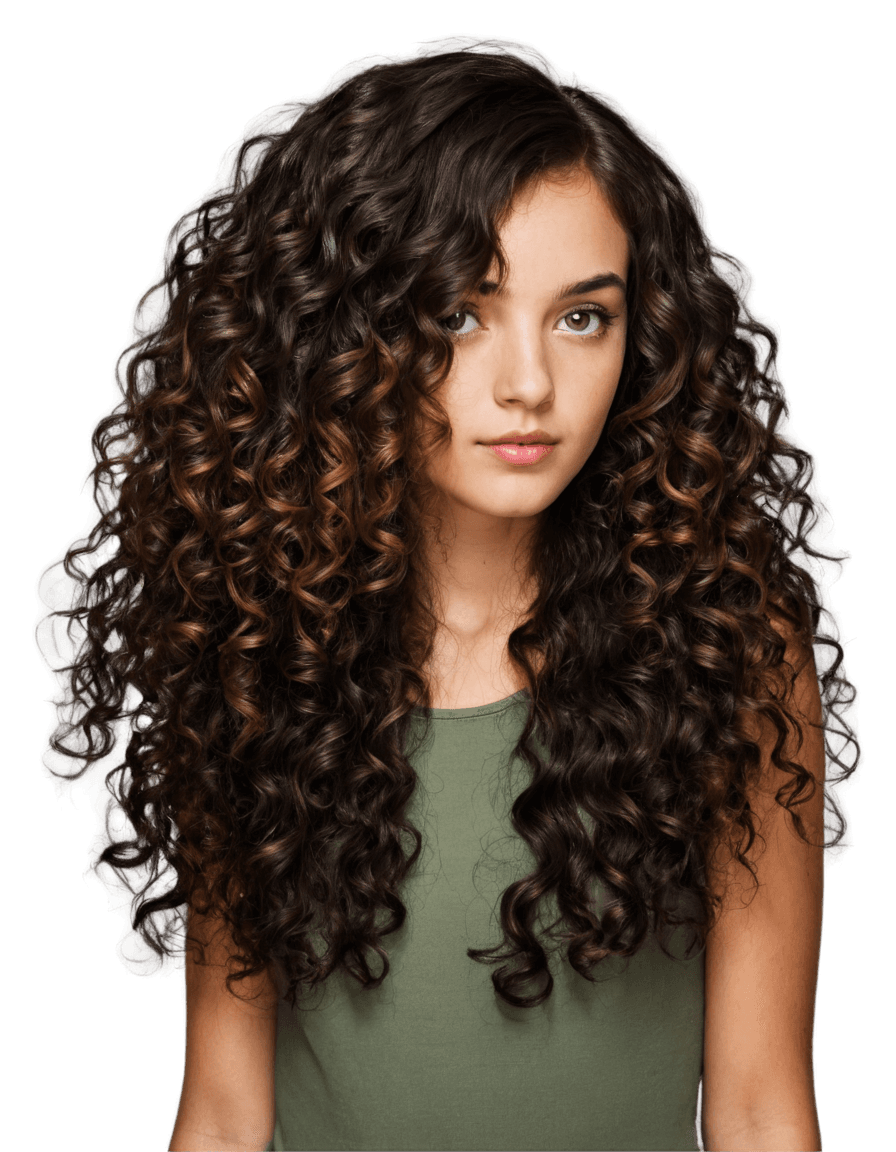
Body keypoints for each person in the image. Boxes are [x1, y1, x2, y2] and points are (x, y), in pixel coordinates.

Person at [68, 50, 828, 1151]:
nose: (527, 382)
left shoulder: (721, 655)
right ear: (347, 329)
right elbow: (229, 1114)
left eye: (581, 319)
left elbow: (759, 1110)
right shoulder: (258, 659)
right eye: (463, 315)